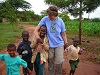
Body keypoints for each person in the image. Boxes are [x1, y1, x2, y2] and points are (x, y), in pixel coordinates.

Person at [34, 5, 68, 75]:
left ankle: (58, 73)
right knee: (50, 62)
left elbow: (63, 34)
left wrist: (66, 43)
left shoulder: (60, 21)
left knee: (59, 62)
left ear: (55, 14)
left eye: (51, 15)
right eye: (48, 14)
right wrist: (39, 41)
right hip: (49, 45)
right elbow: (35, 31)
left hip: (59, 44)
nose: (49, 16)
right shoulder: (45, 19)